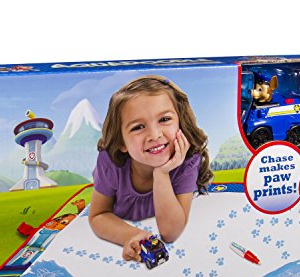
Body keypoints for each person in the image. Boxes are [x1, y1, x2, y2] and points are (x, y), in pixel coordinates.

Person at [89, 75, 213, 262]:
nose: (154, 135)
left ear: (180, 122)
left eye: (164, 119)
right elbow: (98, 215)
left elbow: (170, 233)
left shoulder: (187, 160)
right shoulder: (111, 162)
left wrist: (162, 173)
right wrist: (131, 235)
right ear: (121, 142)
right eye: (138, 127)